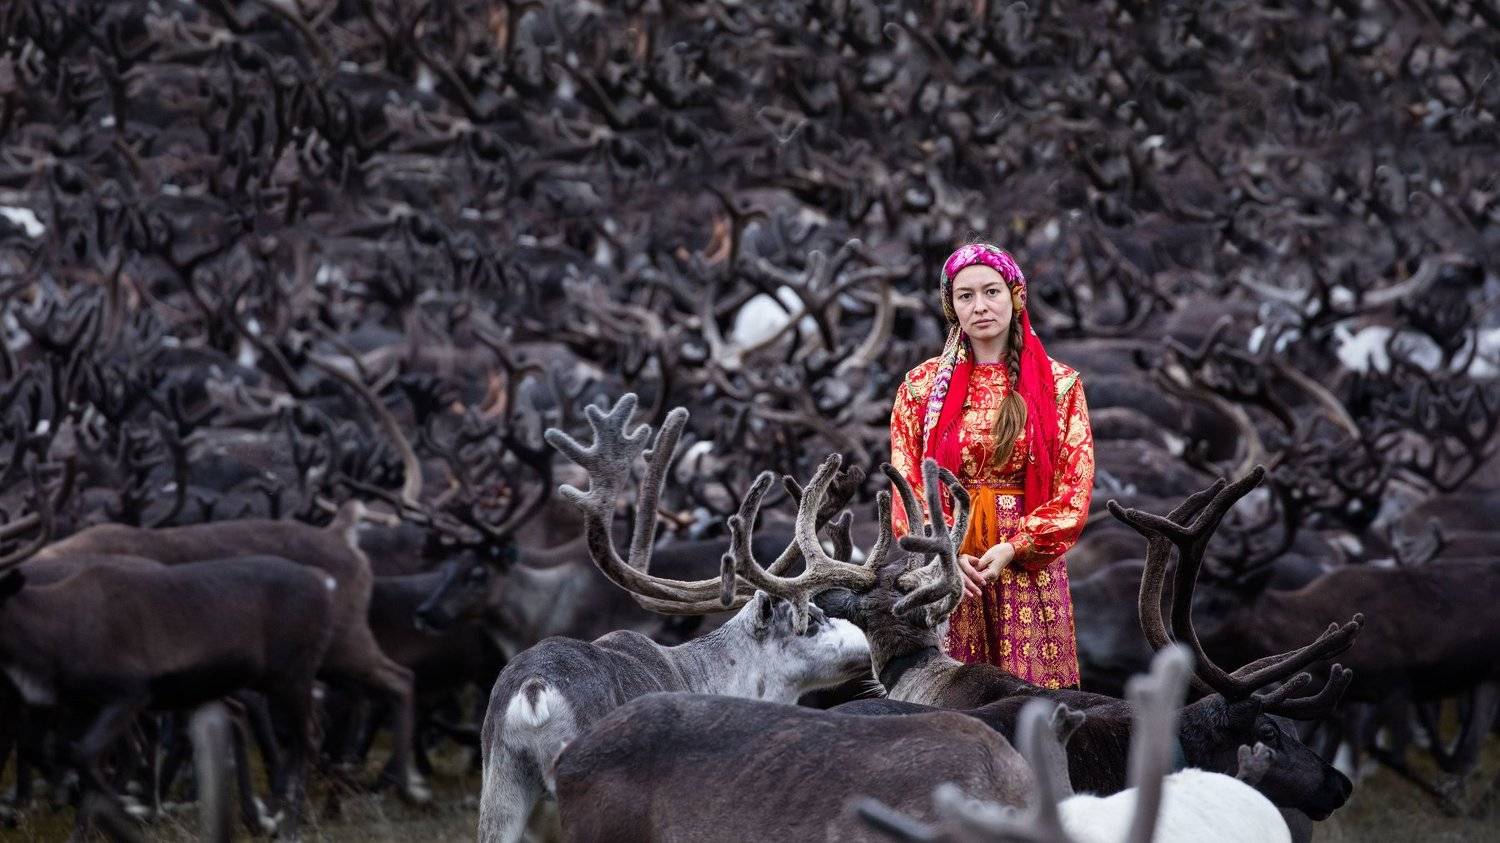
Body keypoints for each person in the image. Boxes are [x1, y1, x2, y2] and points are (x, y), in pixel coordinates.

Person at [889, 243, 1095, 689]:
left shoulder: (1061, 385)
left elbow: (1073, 492)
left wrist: (1015, 547)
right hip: (951, 573)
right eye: (965, 296)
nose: (980, 306)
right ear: (952, 307)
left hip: (1027, 567)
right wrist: (946, 555)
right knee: (955, 700)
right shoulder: (919, 388)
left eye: (991, 292)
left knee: (1033, 701)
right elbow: (906, 486)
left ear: (1015, 296)